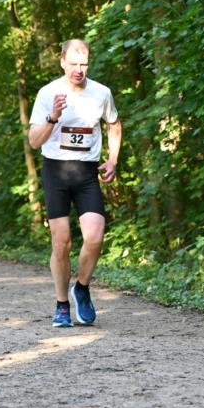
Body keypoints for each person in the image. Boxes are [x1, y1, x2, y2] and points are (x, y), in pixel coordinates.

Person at [28, 39, 122, 328]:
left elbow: (114, 124)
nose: (79, 70)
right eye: (73, 64)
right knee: (62, 243)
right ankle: (61, 306)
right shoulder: (48, 93)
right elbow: (34, 141)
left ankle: (81, 288)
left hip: (86, 173)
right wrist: (53, 117)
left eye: (84, 64)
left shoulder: (101, 93)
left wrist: (113, 159)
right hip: (55, 171)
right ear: (62, 62)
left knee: (95, 237)